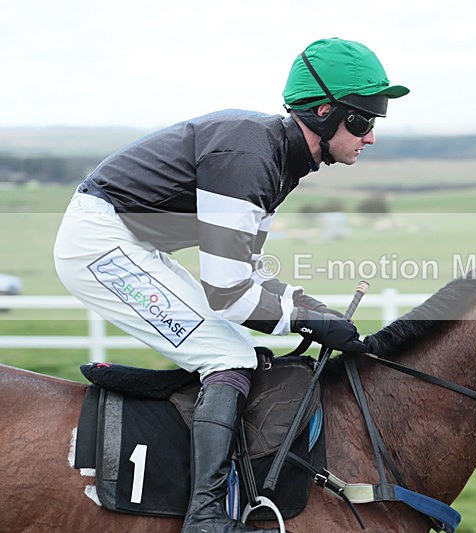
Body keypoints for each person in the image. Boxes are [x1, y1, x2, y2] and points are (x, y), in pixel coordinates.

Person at [53, 37, 408, 533]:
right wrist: (305, 319)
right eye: (363, 121)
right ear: (325, 112)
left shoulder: (279, 159)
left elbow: (248, 271)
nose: (369, 137)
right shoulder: (250, 156)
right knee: (228, 355)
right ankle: (204, 517)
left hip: (129, 243)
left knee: (234, 347)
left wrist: (311, 307)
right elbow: (228, 294)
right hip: (100, 246)